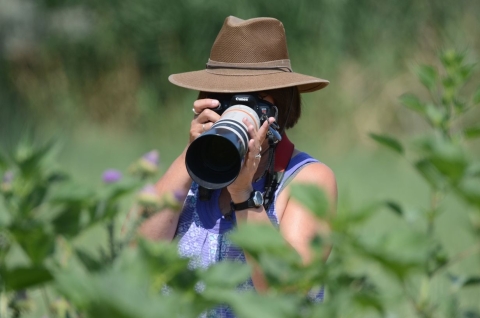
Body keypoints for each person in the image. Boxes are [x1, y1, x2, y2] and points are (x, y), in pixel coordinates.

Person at [138, 16, 337, 316]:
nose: (238, 110)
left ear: (280, 107)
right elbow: (134, 258)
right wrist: (193, 155)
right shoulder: (190, 175)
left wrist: (244, 196)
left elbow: (289, 289)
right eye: (224, 97)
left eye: (254, 100)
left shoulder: (308, 180)